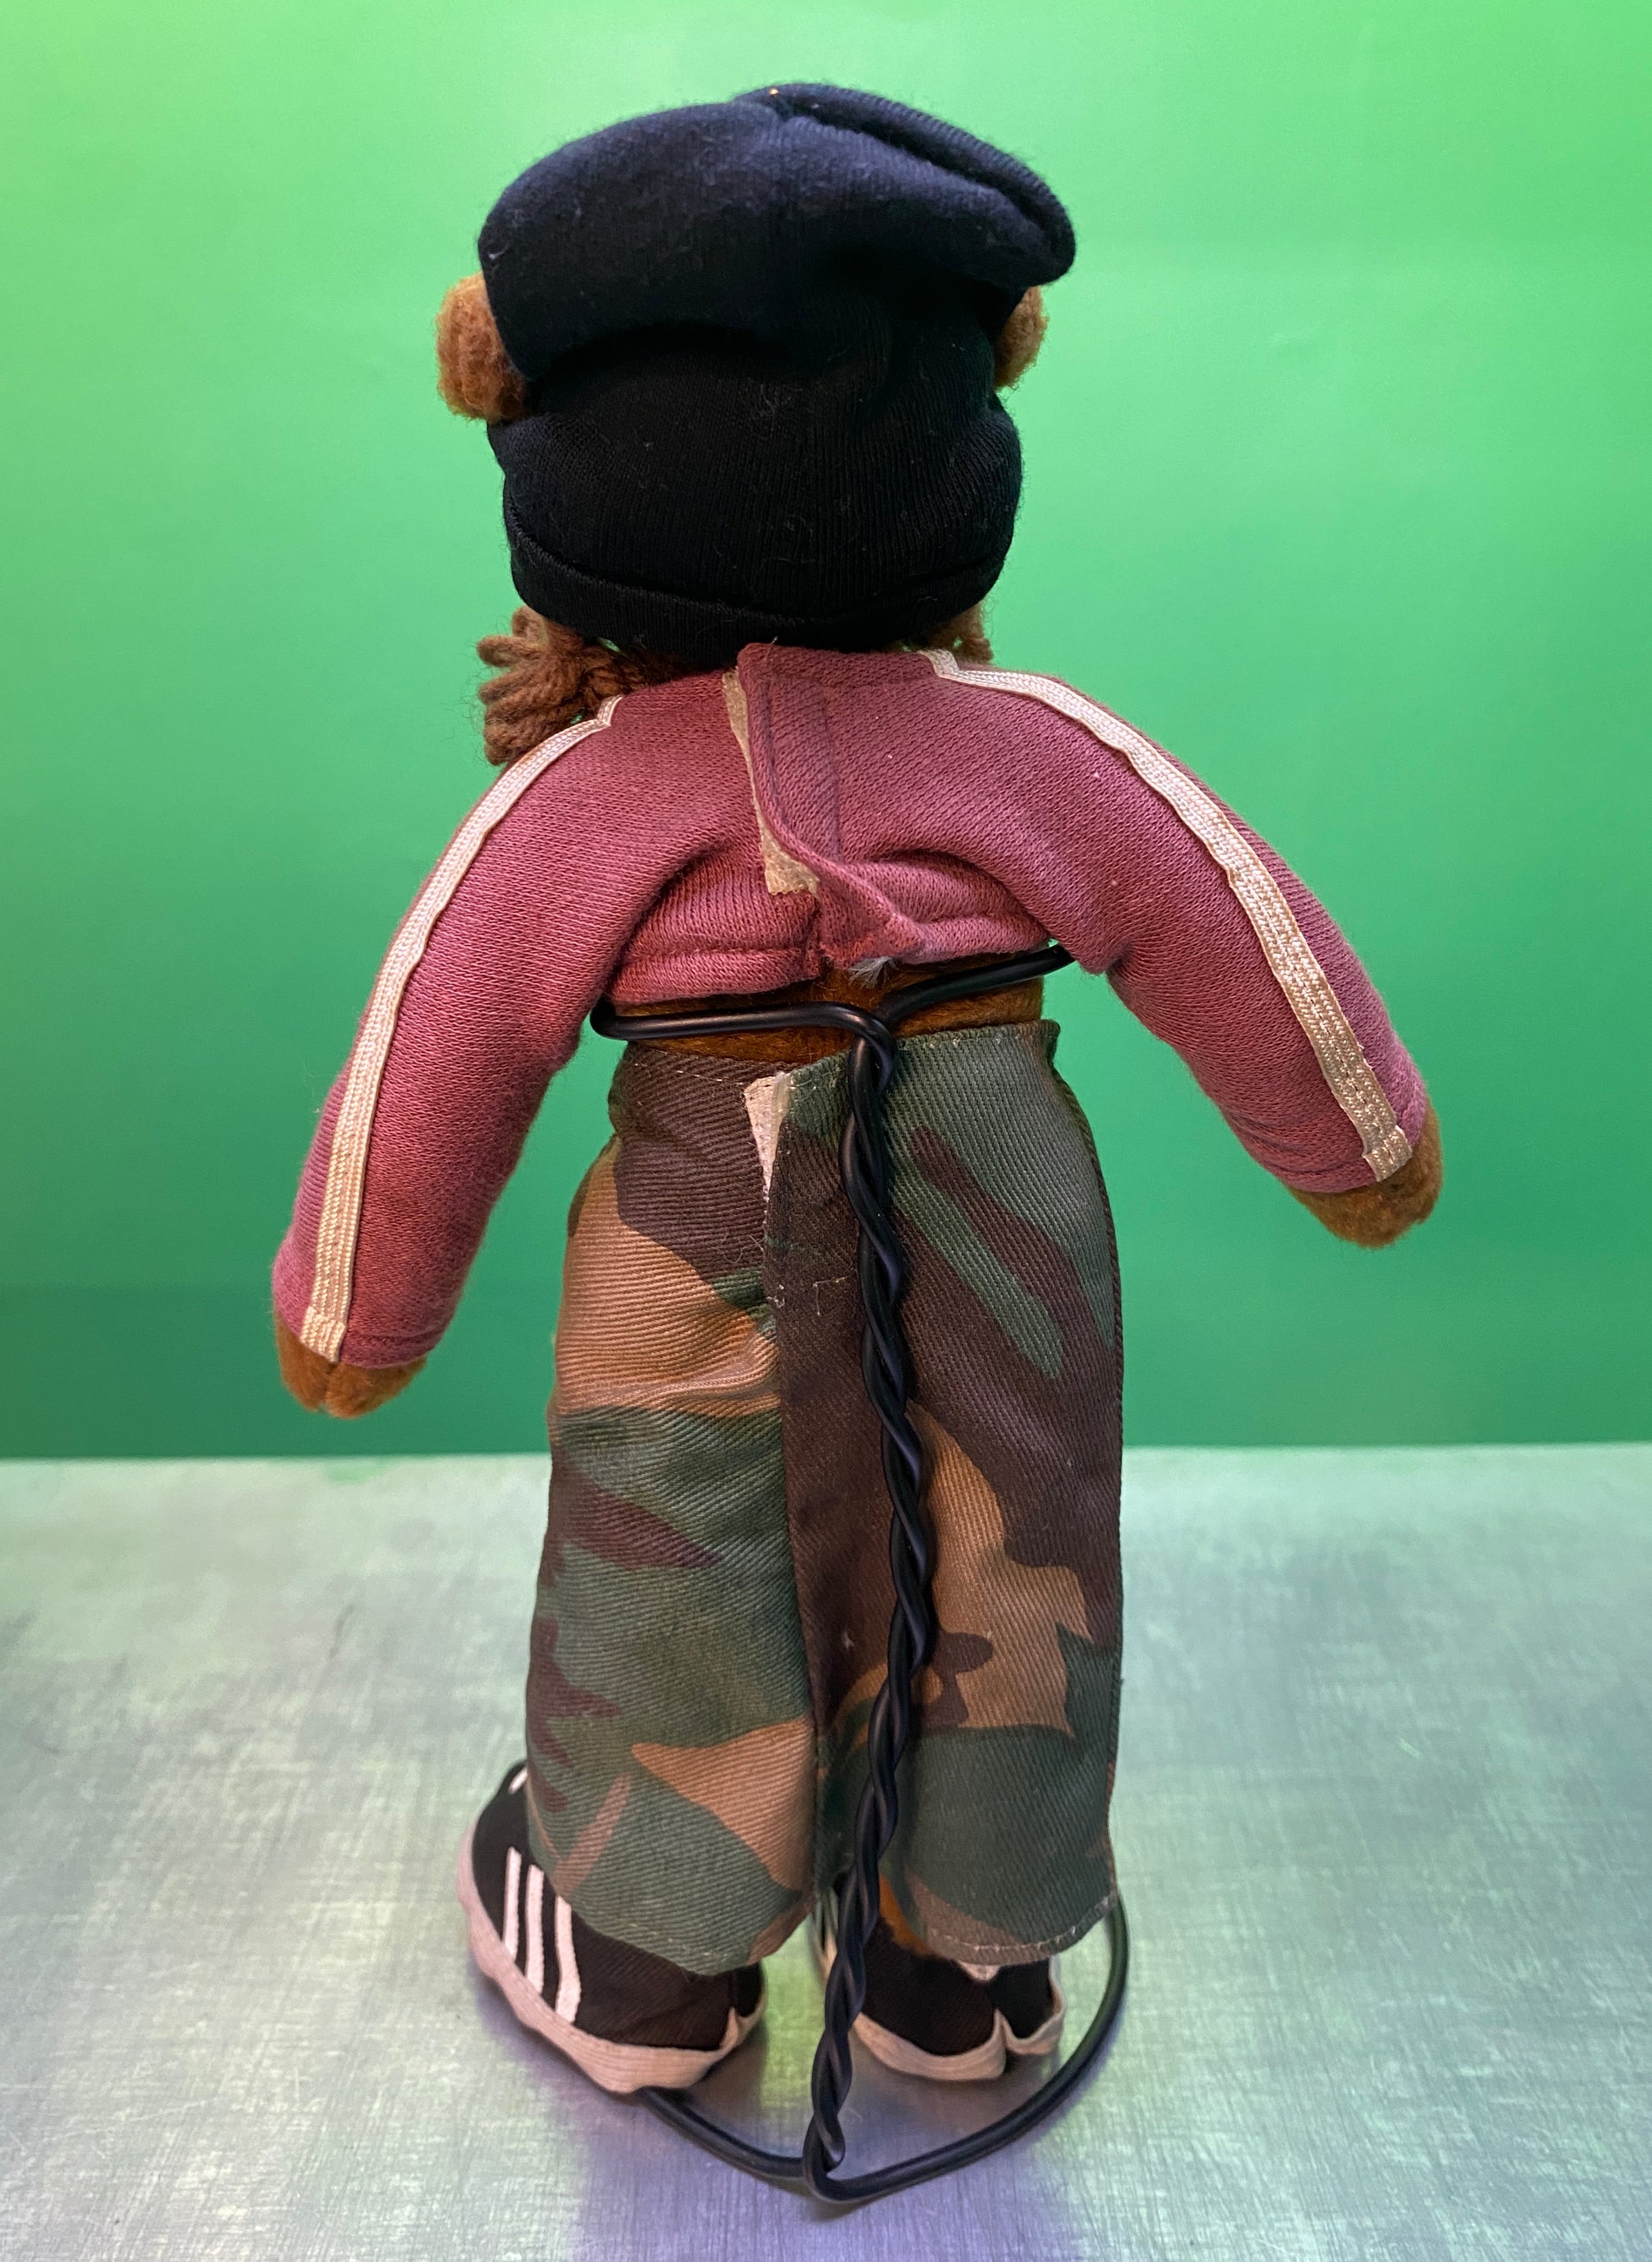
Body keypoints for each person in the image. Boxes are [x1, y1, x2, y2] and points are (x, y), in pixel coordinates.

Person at [273, 85, 1441, 2098]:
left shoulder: (581, 794)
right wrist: (1358, 1150)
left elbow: (438, 1045)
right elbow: (1234, 928)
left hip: (695, 1234)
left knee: (675, 1533)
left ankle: (644, 1958)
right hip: (1000, 1213)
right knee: (1011, 1539)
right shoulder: (1035, 742)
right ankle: (958, 1955)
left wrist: (353, 1316)